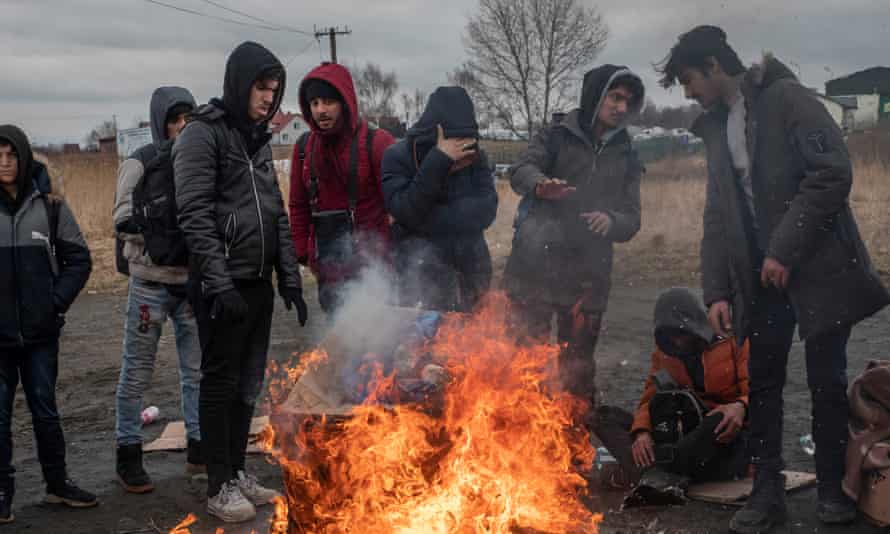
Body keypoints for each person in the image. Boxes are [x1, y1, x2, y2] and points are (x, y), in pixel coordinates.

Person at [657, 25, 890, 532]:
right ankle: (766, 493)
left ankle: (831, 489)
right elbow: (717, 215)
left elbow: (832, 172)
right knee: (761, 383)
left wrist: (784, 249)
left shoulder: (787, 100)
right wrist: (716, 289)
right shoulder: (715, 127)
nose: (688, 91)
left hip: (819, 269)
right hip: (758, 280)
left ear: (714, 66)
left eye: (689, 79)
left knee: (826, 381)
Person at [173, 41, 308, 523]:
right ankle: (218, 483)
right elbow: (194, 215)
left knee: (247, 385)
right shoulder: (201, 136)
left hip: (257, 285)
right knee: (220, 382)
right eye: (261, 88)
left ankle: (236, 469)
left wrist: (289, 279)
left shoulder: (258, 140)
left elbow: (276, 215)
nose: (268, 100)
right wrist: (218, 283)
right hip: (220, 286)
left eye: (274, 91)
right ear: (239, 83)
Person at [504, 64, 645, 407]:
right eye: (615, 97)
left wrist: (612, 221)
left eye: (628, 101)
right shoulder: (555, 135)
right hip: (535, 267)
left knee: (577, 373)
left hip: (588, 277)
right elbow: (520, 170)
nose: (621, 107)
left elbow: (632, 216)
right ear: (595, 96)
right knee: (526, 364)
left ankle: (573, 447)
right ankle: (519, 445)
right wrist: (541, 185)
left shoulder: (627, 153)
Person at [0, 125, 96, 522]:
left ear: (23, 157)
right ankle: (2, 494)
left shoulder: (51, 205)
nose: (4, 162)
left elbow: (80, 260)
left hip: (41, 336)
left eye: (11, 154)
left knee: (46, 411)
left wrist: (53, 304)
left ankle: (57, 485)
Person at [112, 86, 202, 494]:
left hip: (190, 284)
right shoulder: (139, 163)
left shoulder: (200, 162)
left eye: (187, 118)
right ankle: (128, 453)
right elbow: (120, 218)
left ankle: (199, 451)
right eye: (173, 118)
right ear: (159, 122)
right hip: (150, 283)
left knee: (196, 372)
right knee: (136, 373)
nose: (181, 125)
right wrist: (158, 234)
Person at [289, 63, 395, 315]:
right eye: (314, 103)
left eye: (328, 101)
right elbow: (298, 205)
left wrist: (391, 254)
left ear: (345, 102)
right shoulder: (304, 148)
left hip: (374, 271)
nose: (320, 110)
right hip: (329, 270)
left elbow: (397, 205)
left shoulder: (377, 143)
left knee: (378, 347)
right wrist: (303, 252)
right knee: (342, 346)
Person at [382, 86, 498, 311]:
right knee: (422, 343)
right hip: (419, 276)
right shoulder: (397, 156)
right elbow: (405, 209)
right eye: (456, 139)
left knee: (472, 341)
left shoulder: (476, 156)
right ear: (436, 133)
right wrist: (439, 161)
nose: (463, 148)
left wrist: (424, 222)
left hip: (471, 270)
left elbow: (487, 211)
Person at [629, 288, 749, 485]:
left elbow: (760, 389)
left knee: (717, 421)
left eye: (680, 333)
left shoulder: (735, 341)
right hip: (687, 426)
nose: (676, 341)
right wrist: (642, 432)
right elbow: (651, 398)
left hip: (727, 430)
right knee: (605, 417)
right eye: (669, 335)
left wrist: (740, 406)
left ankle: (663, 467)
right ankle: (670, 463)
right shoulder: (665, 353)